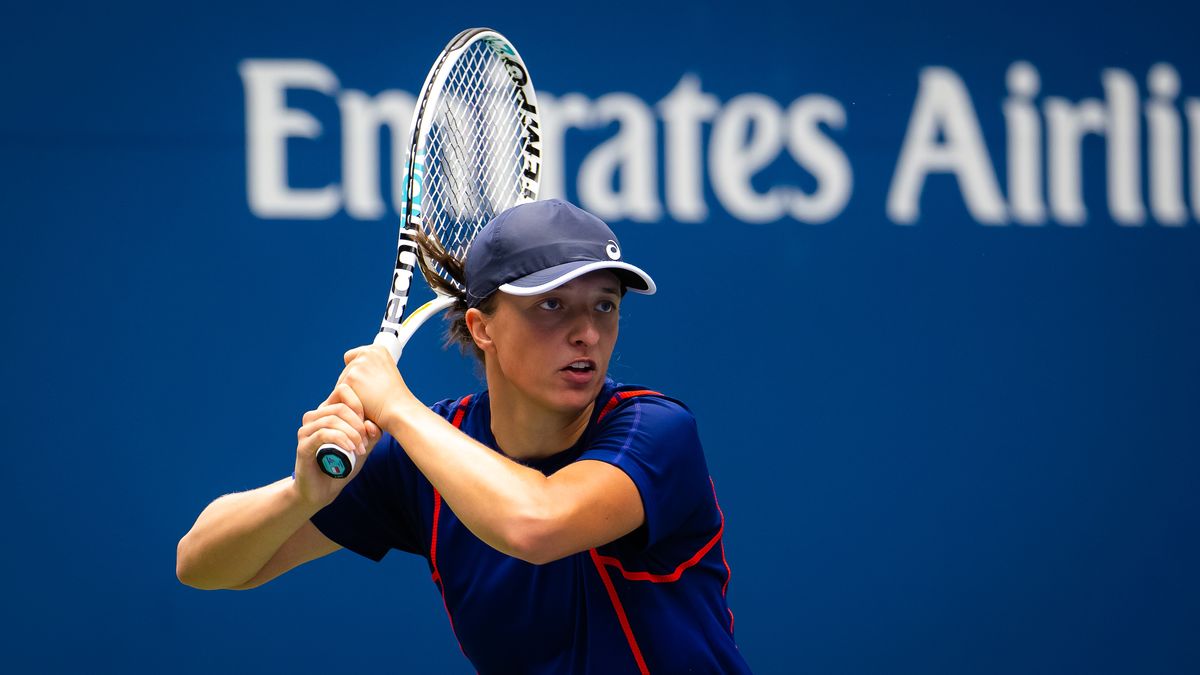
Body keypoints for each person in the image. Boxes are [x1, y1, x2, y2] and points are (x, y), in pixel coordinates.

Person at [177, 199, 751, 674]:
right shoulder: (426, 455)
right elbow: (202, 564)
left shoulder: (656, 431)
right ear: (482, 328)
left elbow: (537, 523)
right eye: (552, 305)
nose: (587, 333)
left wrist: (397, 407)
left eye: (605, 306)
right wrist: (302, 495)